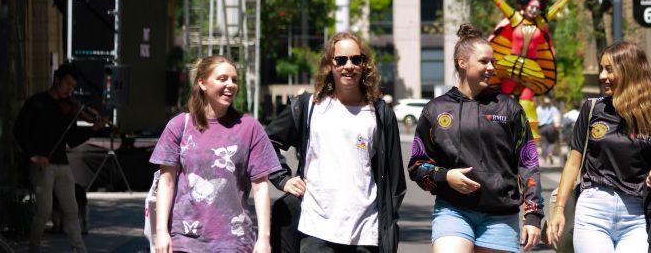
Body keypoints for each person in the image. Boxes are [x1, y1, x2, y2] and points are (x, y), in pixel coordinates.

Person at [408, 23, 544, 253]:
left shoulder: (509, 108)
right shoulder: (435, 110)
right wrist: (445, 176)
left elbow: (528, 163)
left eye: (493, 62)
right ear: (462, 62)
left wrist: (533, 215)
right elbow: (417, 166)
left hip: (501, 216)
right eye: (484, 61)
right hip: (453, 210)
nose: (491, 67)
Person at [266, 31, 406, 253]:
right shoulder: (309, 106)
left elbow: (395, 180)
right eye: (340, 60)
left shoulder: (379, 113)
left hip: (365, 232)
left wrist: (388, 221)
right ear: (329, 66)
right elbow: (267, 142)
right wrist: (283, 179)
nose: (348, 66)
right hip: (316, 227)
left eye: (355, 59)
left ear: (364, 64)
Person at [546, 41, 651, 252]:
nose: (602, 76)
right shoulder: (593, 109)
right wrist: (559, 209)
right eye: (601, 68)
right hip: (593, 208)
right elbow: (573, 164)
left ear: (630, 70)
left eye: (609, 69)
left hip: (638, 213)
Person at [150, 55, 281, 252]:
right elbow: (166, 182)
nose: (231, 85)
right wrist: (161, 232)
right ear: (202, 83)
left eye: (234, 80)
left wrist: (264, 239)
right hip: (185, 240)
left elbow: (261, 186)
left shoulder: (250, 127)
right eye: (223, 79)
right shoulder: (179, 125)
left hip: (234, 242)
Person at [14, 63, 109, 253]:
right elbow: (19, 130)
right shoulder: (36, 102)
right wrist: (32, 155)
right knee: (44, 210)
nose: (70, 89)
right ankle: (34, 248)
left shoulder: (67, 108)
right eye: (67, 84)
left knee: (72, 209)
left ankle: (79, 249)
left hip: (62, 163)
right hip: (42, 163)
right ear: (57, 80)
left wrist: (92, 130)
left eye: (73, 86)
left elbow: (72, 140)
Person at [536, 96, 562, 165]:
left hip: (541, 128)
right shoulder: (553, 109)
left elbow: (535, 120)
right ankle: (550, 153)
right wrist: (558, 126)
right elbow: (557, 119)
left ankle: (545, 159)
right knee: (552, 141)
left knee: (544, 143)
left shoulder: (538, 109)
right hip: (551, 127)